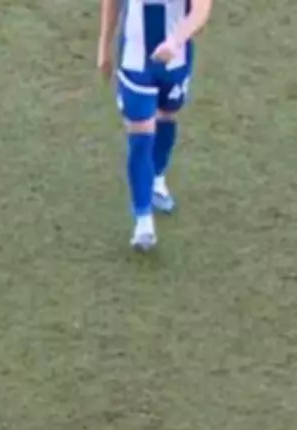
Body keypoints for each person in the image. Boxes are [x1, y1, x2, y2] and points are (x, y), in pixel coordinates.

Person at [97, 0, 214, 250]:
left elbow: (201, 10)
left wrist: (176, 40)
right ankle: (143, 221)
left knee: (167, 117)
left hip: (175, 60)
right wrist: (103, 46)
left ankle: (157, 177)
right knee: (140, 135)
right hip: (134, 60)